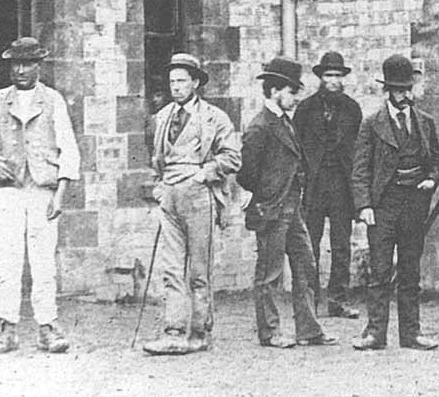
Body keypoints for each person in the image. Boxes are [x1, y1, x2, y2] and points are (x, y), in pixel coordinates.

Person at [0, 37, 80, 354]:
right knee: (7, 259)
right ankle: (7, 328)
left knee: (43, 260)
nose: (20, 70)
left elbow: (69, 149)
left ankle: (48, 327)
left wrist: (60, 195)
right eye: (16, 64)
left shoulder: (53, 100)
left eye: (27, 64)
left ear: (38, 66)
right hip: (9, 191)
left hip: (42, 189)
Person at [141, 54, 241, 355]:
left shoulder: (215, 117)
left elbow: (232, 157)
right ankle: (173, 331)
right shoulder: (161, 117)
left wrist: (204, 173)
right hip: (170, 195)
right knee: (171, 268)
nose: (176, 87)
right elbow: (156, 158)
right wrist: (160, 187)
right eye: (172, 81)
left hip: (199, 196)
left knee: (199, 270)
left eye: (182, 81)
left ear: (195, 83)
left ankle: (199, 332)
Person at [239, 57, 338, 349]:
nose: (295, 98)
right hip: (272, 209)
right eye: (291, 92)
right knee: (270, 273)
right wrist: (268, 198)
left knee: (306, 266)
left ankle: (308, 330)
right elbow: (246, 175)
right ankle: (269, 332)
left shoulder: (284, 121)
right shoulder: (260, 127)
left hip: (293, 209)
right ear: (274, 91)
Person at [349, 54, 439, 351]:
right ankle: (375, 333)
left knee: (410, 271)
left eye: (407, 88)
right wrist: (364, 206)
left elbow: (435, 162)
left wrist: (431, 179)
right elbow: (360, 168)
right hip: (384, 205)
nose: (404, 95)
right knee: (380, 271)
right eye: (399, 89)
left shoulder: (425, 122)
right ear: (387, 90)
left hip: (414, 203)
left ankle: (411, 333)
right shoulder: (372, 124)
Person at [293, 51, 363, 319]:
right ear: (320, 78)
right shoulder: (305, 109)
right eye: (328, 75)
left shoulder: (352, 109)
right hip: (314, 184)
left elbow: (359, 149)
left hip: (342, 185)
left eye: (337, 75)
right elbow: (296, 146)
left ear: (343, 78)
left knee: (341, 244)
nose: (333, 80)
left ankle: (338, 300)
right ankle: (309, 299)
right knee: (309, 242)